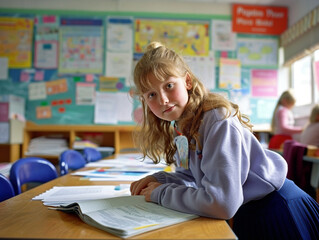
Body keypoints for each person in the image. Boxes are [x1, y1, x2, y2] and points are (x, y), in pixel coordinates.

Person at [130, 41, 319, 240]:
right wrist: (160, 179)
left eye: (169, 86)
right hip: (248, 211)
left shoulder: (217, 120)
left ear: (187, 81)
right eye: (151, 94)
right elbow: (194, 179)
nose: (163, 100)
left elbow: (222, 203)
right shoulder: (181, 126)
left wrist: (161, 193)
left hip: (278, 211)